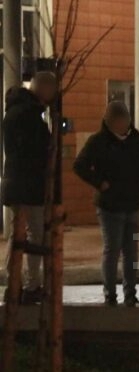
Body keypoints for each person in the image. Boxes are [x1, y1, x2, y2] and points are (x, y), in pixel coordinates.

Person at [73, 101, 139, 306]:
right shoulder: (99, 141)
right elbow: (80, 165)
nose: (124, 125)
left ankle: (130, 293)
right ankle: (110, 294)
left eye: (126, 120)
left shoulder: (135, 139)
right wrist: (100, 183)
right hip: (110, 205)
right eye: (120, 121)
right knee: (113, 249)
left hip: (133, 203)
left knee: (131, 250)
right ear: (110, 122)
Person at [2, 72, 58, 304]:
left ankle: (14, 281)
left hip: (16, 183)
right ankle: (29, 284)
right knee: (35, 235)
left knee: (18, 234)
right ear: (44, 89)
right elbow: (33, 152)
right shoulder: (29, 115)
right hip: (28, 184)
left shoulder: (16, 110)